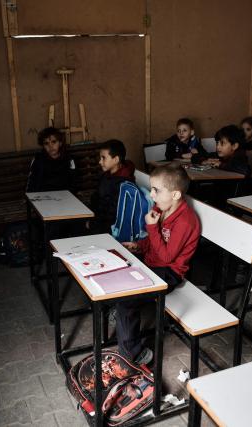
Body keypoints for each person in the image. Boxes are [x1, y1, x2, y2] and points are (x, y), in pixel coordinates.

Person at [117, 165, 201, 364]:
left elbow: (166, 258)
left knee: (126, 299)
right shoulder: (161, 208)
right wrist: (139, 246)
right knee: (118, 271)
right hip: (152, 264)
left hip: (170, 273)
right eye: (152, 189)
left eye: (157, 190)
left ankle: (133, 355)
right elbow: (154, 243)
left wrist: (152, 228)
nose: (152, 195)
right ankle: (122, 315)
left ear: (175, 194)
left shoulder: (186, 221)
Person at [90, 139, 135, 233]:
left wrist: (92, 223)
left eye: (103, 158)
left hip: (110, 228)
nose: (100, 162)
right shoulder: (106, 175)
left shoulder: (124, 184)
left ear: (116, 159)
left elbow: (113, 214)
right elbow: (96, 197)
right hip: (98, 218)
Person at [26, 127, 76, 192]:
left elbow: (73, 183)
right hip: (43, 197)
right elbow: (31, 184)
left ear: (60, 143)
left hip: (64, 197)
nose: (50, 146)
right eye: (46, 143)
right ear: (43, 146)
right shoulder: (39, 160)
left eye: (54, 142)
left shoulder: (69, 159)